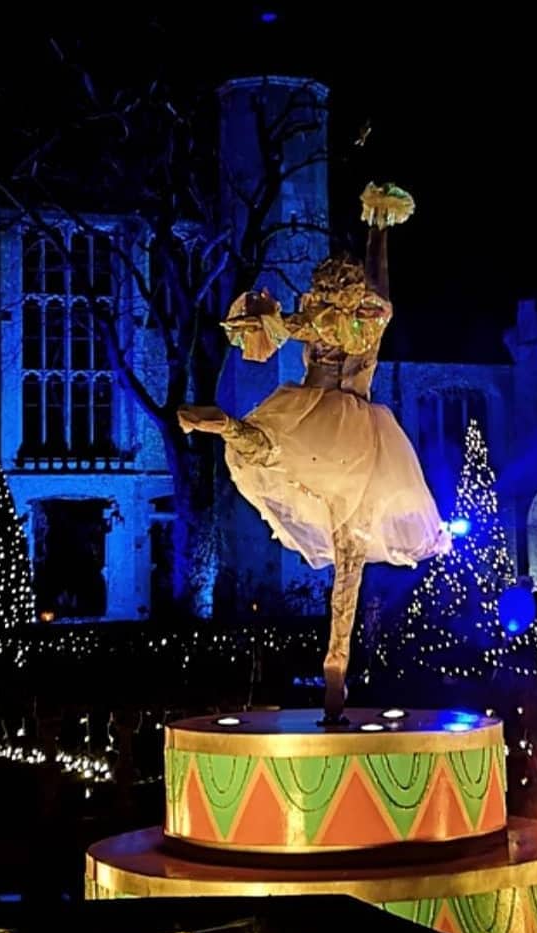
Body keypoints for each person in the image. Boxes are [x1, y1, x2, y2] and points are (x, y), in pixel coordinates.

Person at [178, 183, 449, 722]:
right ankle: (335, 668)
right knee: (349, 565)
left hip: (310, 414)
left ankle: (237, 431)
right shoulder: (365, 322)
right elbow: (378, 284)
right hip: (351, 431)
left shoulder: (320, 320)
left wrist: (263, 322)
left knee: (274, 450)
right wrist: (377, 231)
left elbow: (287, 328)